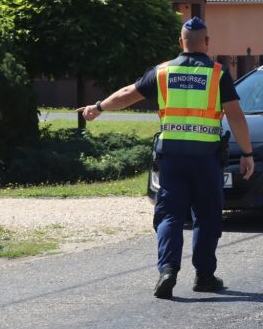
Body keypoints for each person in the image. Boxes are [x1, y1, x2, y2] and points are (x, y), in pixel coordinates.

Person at [78, 16, 254, 299]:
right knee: (207, 216)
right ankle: (204, 276)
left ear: (180, 42)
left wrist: (98, 107)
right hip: (206, 159)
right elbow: (235, 116)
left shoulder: (163, 72)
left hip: (172, 158)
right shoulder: (218, 74)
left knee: (170, 214)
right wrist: (247, 153)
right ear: (207, 43)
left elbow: (128, 93)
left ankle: (168, 270)